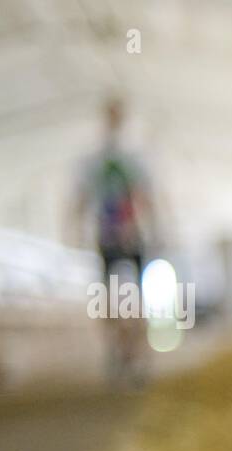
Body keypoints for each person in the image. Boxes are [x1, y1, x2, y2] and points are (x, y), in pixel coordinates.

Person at [72, 98, 157, 386]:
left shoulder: (131, 158)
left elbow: (145, 196)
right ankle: (118, 350)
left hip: (130, 236)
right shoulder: (98, 160)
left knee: (133, 297)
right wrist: (75, 230)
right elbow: (81, 199)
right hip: (109, 237)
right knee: (109, 299)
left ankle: (135, 352)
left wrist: (153, 228)